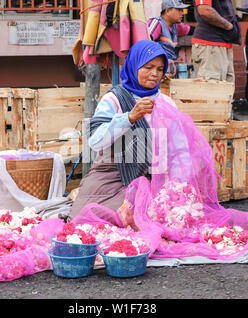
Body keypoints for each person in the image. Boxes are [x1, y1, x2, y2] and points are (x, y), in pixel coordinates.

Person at [69, 40, 179, 219]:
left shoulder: (165, 103)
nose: (154, 74)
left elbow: (177, 146)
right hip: (112, 174)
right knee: (88, 219)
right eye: (148, 67)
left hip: (154, 176)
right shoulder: (115, 98)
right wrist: (129, 117)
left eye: (160, 69)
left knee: (161, 216)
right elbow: (95, 141)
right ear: (134, 66)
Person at [191, 0, 241, 82]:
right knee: (210, 90)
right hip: (210, 46)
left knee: (225, 91)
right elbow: (204, 10)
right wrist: (229, 26)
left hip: (220, 46)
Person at [147, 0, 195, 77]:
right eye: (179, 10)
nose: (182, 13)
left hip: (171, 68)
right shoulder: (157, 22)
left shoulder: (176, 26)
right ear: (168, 11)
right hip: (158, 70)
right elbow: (145, 45)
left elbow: (192, 30)